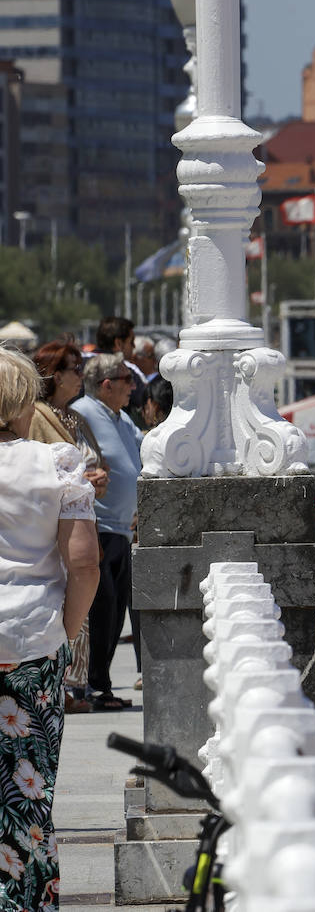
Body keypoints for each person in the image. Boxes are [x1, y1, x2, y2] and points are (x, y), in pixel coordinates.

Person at [0, 346, 100, 908]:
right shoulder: (58, 463)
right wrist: (65, 628)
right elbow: (84, 564)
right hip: (31, 640)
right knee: (27, 789)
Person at [28, 341, 109, 714]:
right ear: (55, 375)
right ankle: (60, 686)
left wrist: (97, 480)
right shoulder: (38, 416)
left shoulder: (76, 417)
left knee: (84, 605)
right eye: (75, 369)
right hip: (58, 528)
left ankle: (73, 685)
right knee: (69, 596)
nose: (81, 375)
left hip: (86, 518)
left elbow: (93, 461)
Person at [70, 352, 143, 712]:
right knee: (102, 609)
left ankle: (101, 683)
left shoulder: (122, 418)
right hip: (98, 526)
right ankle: (94, 685)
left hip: (122, 529)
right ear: (106, 384)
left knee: (114, 614)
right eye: (127, 380)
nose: (133, 386)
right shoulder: (82, 412)